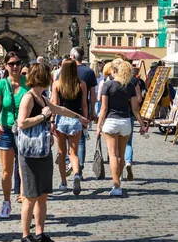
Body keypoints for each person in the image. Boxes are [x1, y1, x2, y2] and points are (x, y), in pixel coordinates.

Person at [17, 63, 89, 242]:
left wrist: (78, 117)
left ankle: (40, 233)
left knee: (43, 195)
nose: (52, 78)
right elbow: (21, 123)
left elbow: (59, 109)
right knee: (30, 196)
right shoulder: (28, 98)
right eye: (49, 75)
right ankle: (25, 236)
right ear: (43, 77)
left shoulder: (42, 97)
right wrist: (42, 117)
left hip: (42, 151)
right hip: (30, 153)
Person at [97, 58, 148, 196]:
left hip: (111, 121)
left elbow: (104, 108)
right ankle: (118, 181)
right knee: (120, 155)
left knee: (113, 155)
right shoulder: (130, 86)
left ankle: (116, 185)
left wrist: (98, 125)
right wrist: (142, 124)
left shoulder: (107, 85)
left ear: (114, 71)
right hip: (125, 121)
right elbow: (135, 109)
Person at [0, 51, 27, 218]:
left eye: (17, 63)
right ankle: (6, 201)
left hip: (24, 130)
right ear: (5, 66)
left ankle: (25, 199)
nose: (15, 66)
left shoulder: (27, 82)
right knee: (6, 171)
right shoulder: (0, 84)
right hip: (5, 130)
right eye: (11, 64)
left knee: (24, 168)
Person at [52, 59, 88, 195]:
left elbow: (55, 105)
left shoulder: (57, 84)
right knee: (73, 152)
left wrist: (52, 121)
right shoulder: (81, 84)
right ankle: (77, 174)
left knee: (61, 152)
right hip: (76, 119)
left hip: (61, 119)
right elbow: (84, 104)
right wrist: (85, 120)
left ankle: (63, 182)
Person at [69, 47, 97, 178]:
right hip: (81, 109)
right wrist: (92, 111)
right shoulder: (89, 72)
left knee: (67, 141)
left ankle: (69, 163)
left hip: (66, 110)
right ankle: (78, 169)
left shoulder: (67, 71)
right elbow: (92, 94)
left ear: (73, 57)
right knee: (80, 141)